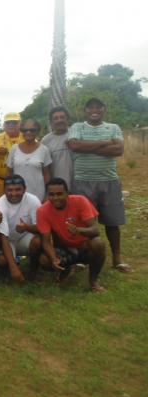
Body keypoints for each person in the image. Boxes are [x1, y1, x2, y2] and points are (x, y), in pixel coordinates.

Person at [67, 97, 130, 273]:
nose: (94, 110)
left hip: (109, 181)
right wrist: (105, 143)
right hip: (82, 181)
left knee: (112, 222)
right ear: (85, 110)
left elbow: (118, 150)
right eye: (90, 107)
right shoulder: (77, 127)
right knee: (85, 223)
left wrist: (86, 146)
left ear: (104, 110)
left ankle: (117, 259)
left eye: (98, 107)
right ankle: (82, 257)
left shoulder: (113, 127)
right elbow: (74, 145)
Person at [36, 178, 106, 292]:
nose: (55, 198)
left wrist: (78, 230)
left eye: (59, 194)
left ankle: (93, 281)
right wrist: (54, 259)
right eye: (51, 195)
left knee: (98, 243)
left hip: (84, 247)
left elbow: (95, 230)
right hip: (65, 248)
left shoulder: (80, 201)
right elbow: (46, 241)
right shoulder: (42, 210)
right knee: (44, 260)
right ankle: (66, 269)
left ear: (67, 194)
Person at [0, 175, 42, 282]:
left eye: (18, 189)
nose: (14, 193)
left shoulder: (33, 200)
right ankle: (8, 271)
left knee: (38, 241)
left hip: (25, 237)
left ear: (24, 189)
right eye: (10, 190)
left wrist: (27, 228)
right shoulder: (0, 204)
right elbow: (4, 238)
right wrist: (14, 269)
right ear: (4, 190)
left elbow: (41, 228)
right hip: (8, 241)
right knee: (2, 261)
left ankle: (33, 271)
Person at [6, 119, 52, 201]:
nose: (28, 132)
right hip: (17, 195)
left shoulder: (44, 150)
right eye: (25, 130)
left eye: (32, 130)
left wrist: (47, 195)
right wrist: (8, 191)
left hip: (38, 195)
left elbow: (47, 174)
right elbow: (9, 172)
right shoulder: (14, 149)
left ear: (37, 131)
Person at [0, 112, 24, 198]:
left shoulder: (26, 138)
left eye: (14, 122)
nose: (11, 125)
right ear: (4, 125)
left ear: (20, 124)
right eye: (8, 123)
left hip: (22, 182)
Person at [41, 106, 73, 188]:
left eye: (62, 117)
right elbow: (45, 168)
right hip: (58, 188)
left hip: (79, 185)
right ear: (51, 122)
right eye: (56, 118)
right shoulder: (46, 141)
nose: (59, 120)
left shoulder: (76, 134)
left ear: (68, 119)